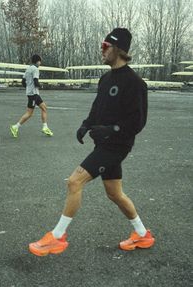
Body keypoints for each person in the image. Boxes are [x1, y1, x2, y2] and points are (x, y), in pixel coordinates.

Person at [29, 28, 155, 256]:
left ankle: (57, 237)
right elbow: (97, 108)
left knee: (75, 182)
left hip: (117, 145)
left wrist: (111, 130)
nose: (102, 49)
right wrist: (86, 125)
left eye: (105, 46)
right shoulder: (105, 78)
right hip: (103, 144)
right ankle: (142, 234)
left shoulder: (135, 83)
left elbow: (138, 121)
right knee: (115, 193)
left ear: (118, 49)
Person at [10, 54, 53, 138]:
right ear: (37, 61)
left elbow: (23, 81)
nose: (40, 63)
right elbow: (36, 81)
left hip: (33, 93)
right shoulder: (35, 69)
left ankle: (45, 127)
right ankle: (15, 127)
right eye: (40, 61)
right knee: (29, 113)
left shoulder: (28, 68)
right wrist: (42, 87)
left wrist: (28, 88)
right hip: (33, 94)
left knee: (44, 107)